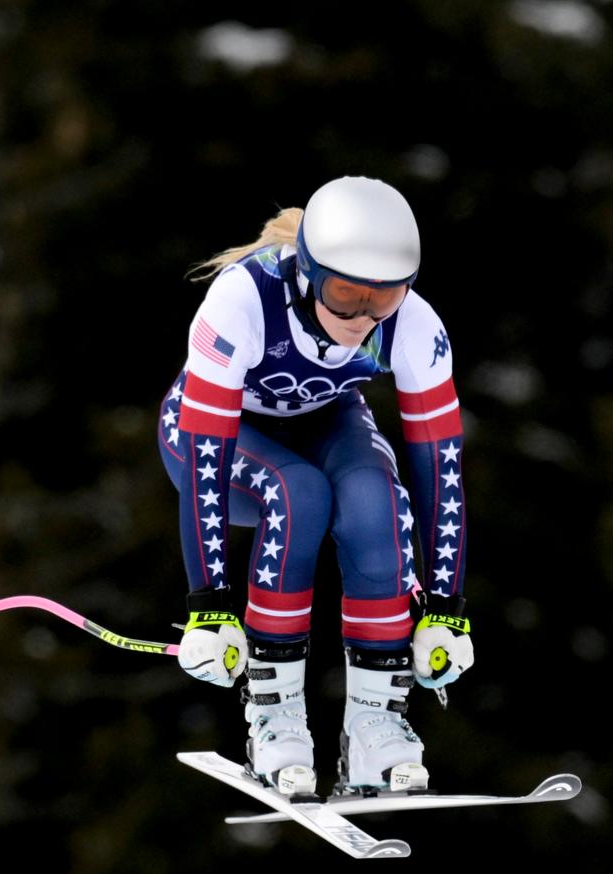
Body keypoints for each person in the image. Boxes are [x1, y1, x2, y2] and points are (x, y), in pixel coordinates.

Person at [159, 175, 474, 799]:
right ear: (305, 273)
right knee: (298, 493)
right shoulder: (241, 300)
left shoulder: (414, 323)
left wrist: (446, 609)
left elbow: (442, 467)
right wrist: (210, 604)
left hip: (325, 421)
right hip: (215, 437)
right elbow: (205, 454)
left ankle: (375, 727)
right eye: (346, 294)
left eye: (382, 299)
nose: (363, 316)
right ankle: (275, 720)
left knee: (373, 500)